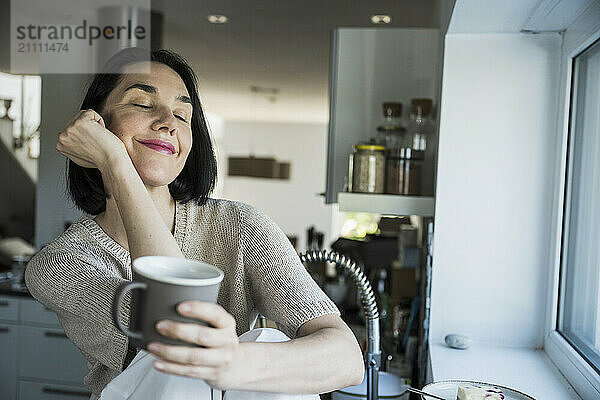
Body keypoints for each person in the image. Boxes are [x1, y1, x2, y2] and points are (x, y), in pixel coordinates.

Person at [24, 47, 364, 400]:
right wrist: (114, 163)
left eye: (182, 115)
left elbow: (346, 359)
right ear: (97, 125)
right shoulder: (60, 265)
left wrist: (234, 366)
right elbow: (179, 340)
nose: (167, 123)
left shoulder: (240, 225)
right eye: (142, 103)